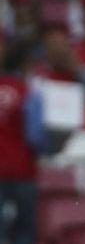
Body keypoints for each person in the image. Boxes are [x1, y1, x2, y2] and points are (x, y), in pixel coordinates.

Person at [0, 41, 48, 244]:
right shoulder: (30, 93)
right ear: (24, 65)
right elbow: (35, 137)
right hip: (23, 171)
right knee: (24, 234)